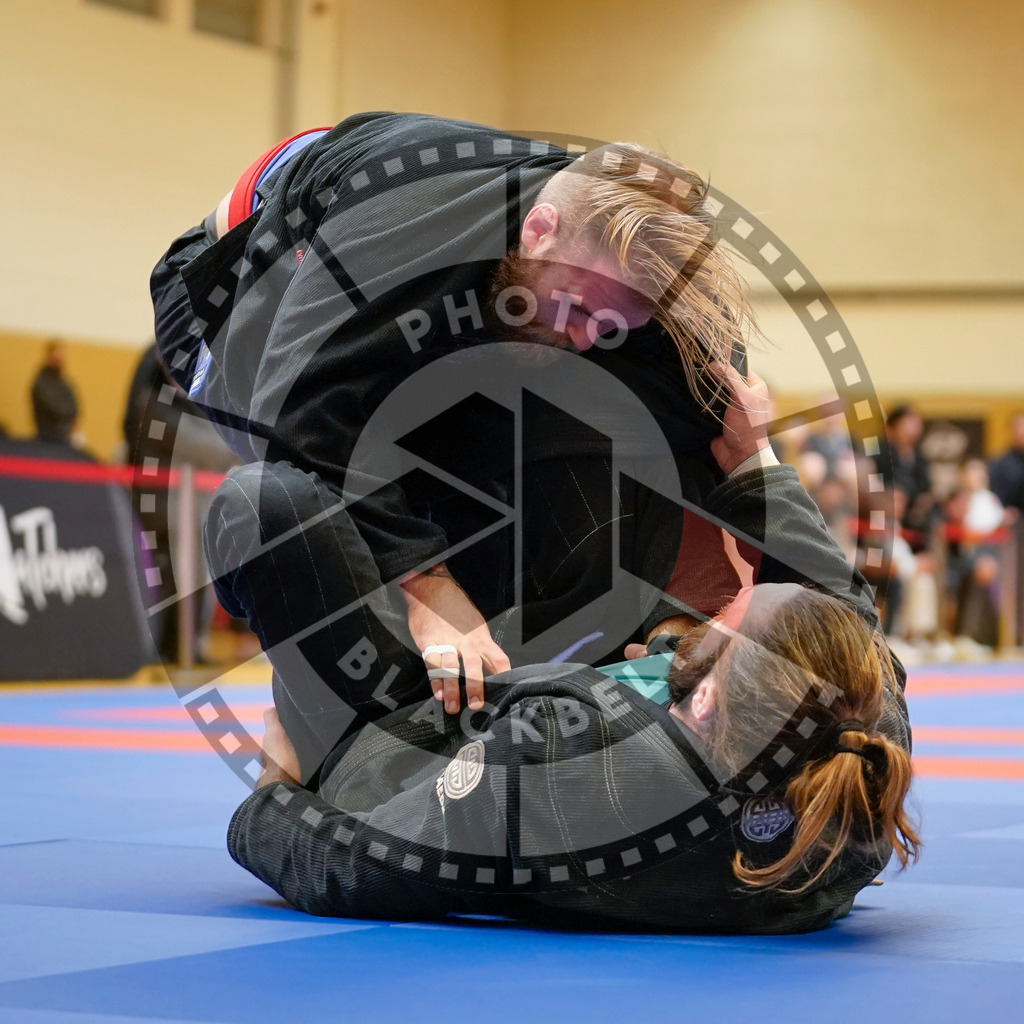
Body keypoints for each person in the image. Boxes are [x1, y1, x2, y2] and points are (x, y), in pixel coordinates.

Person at [225, 365, 918, 933]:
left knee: (263, 504)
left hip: (398, 743)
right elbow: (844, 614)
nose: (724, 607)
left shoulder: (559, 771)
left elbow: (351, 866)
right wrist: (754, 458)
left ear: (703, 701)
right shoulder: (855, 757)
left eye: (728, 623)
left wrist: (274, 787)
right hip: (558, 690)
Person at [151, 112, 754, 712]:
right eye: (577, 308)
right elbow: (300, 415)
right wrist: (428, 586)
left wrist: (750, 474)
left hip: (439, 280)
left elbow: (705, 433)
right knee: (296, 493)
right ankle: (301, 728)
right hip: (238, 289)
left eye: (614, 325)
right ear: (539, 230)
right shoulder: (408, 217)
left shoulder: (663, 308)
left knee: (605, 412)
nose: (589, 336)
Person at [31, 339, 79, 446]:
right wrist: (69, 414)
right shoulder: (42, 382)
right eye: (56, 355)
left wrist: (73, 416)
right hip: (48, 434)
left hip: (64, 434)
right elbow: (54, 407)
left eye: (61, 355)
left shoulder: (62, 381)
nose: (59, 359)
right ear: (49, 356)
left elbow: (73, 402)